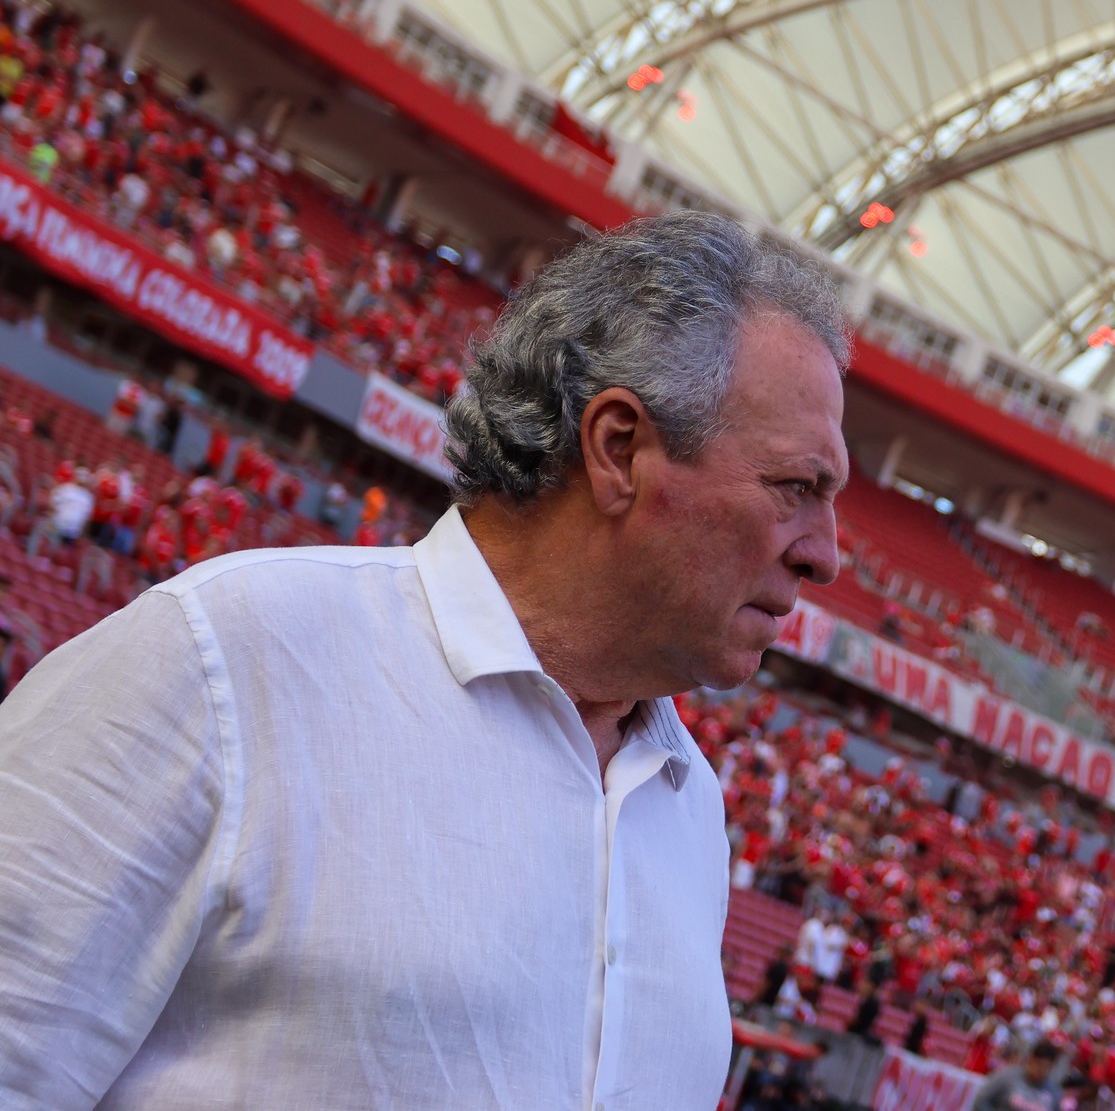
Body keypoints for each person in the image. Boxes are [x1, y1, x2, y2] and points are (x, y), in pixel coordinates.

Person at [0, 214, 852, 1107]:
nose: (825, 555)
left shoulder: (688, 805)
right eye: (796, 487)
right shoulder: (228, 659)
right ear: (619, 449)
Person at [973, 1038, 1063, 1111]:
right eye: (1039, 1064)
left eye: (1046, 1066)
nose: (1041, 1070)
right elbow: (981, 1100)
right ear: (1030, 1060)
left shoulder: (1054, 1093)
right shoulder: (1008, 1076)